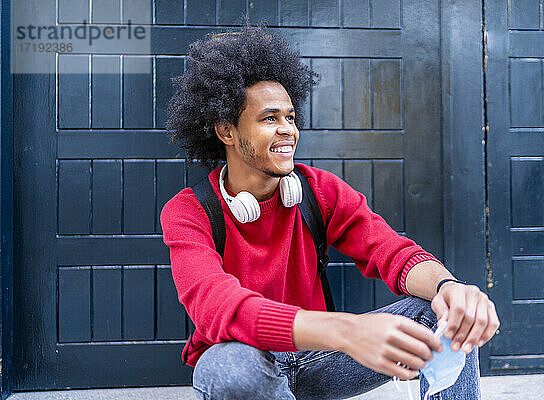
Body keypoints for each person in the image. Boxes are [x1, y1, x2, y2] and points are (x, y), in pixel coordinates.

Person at [160, 26, 500, 400]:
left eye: (290, 118)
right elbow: (216, 307)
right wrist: (347, 331)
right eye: (269, 119)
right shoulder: (189, 212)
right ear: (226, 130)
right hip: (249, 359)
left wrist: (449, 288)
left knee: (444, 313)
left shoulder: (318, 190)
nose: (287, 130)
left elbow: (392, 253)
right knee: (229, 370)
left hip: (318, 359)